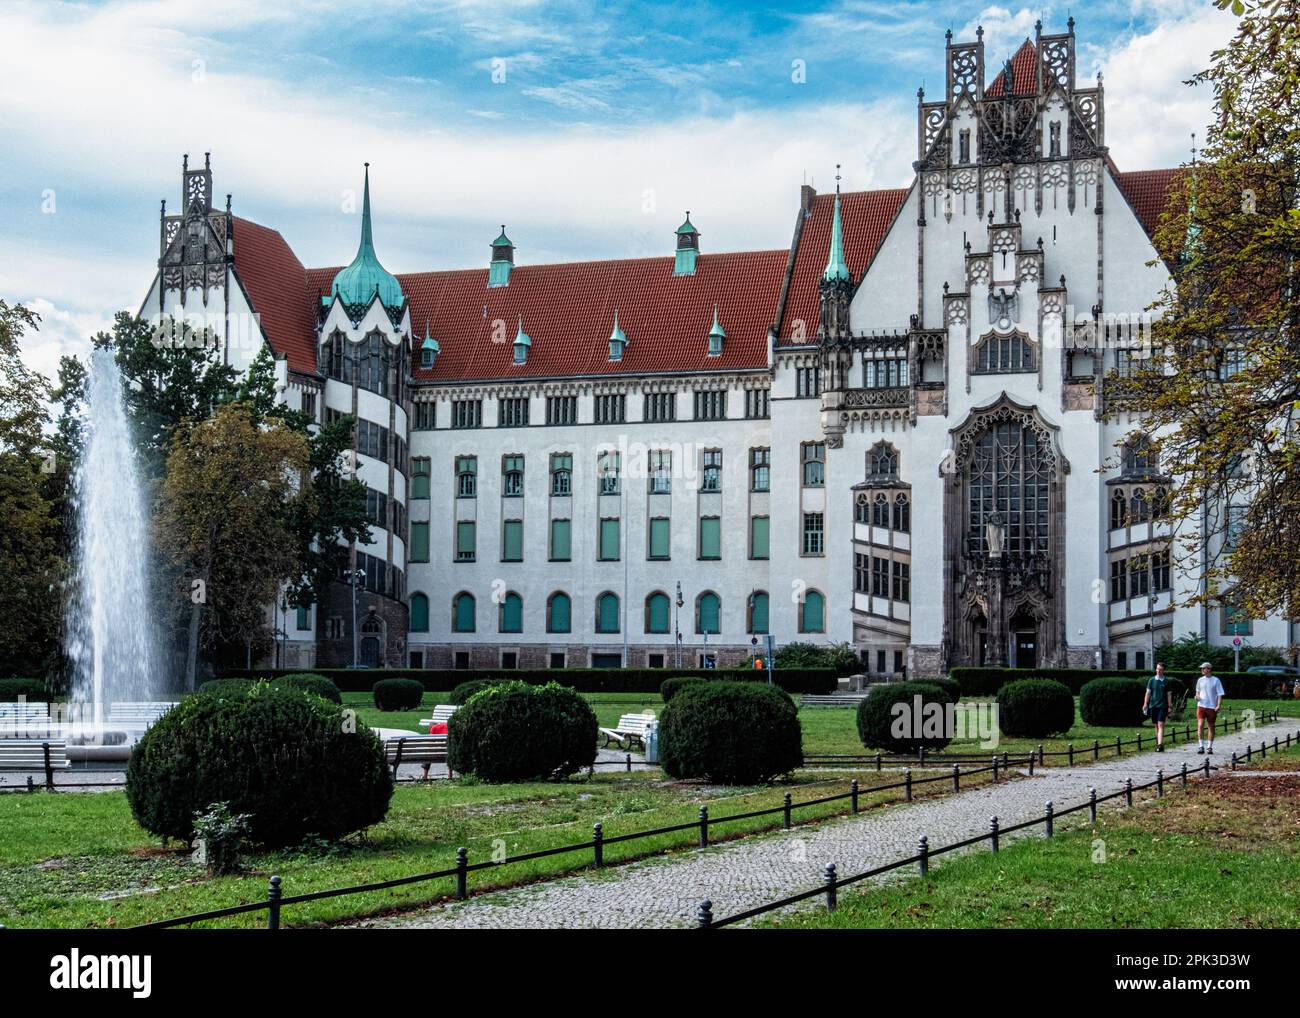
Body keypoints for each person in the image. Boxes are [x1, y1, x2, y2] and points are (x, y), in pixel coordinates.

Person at [1195, 661, 1226, 755]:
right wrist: (1197, 696)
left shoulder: (1216, 680)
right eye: (1202, 668)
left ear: (1208, 669)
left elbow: (1220, 694)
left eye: (1203, 668)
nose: (1202, 670)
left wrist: (1218, 705)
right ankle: (1201, 746)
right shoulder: (1200, 680)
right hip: (1201, 705)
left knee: (1211, 726)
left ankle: (1209, 747)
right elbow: (1197, 692)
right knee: (1200, 724)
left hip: (1211, 707)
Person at [1143, 662, 1173, 752]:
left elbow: (1169, 695)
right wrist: (1145, 703)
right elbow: (1148, 693)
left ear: (1163, 670)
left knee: (1161, 724)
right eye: (1157, 669)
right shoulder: (1151, 680)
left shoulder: (1166, 681)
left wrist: (1169, 706)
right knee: (1156, 725)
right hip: (1153, 705)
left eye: (1160, 669)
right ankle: (1159, 743)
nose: (1158, 671)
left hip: (1162, 706)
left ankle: (1160, 745)